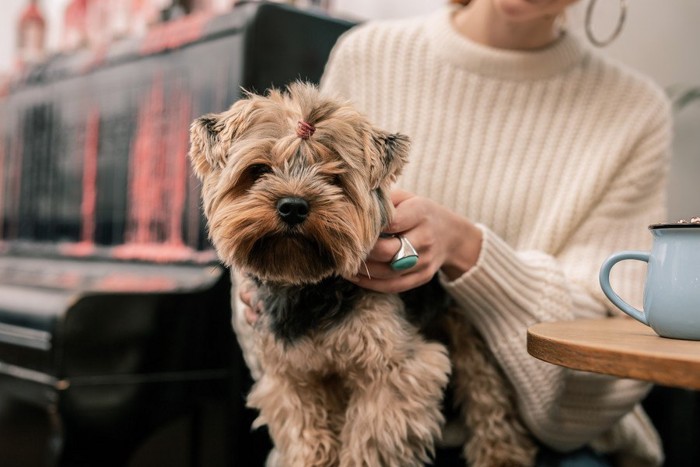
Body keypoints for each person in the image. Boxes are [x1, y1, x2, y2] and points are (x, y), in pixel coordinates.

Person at [233, 0, 671, 465]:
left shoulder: (636, 111)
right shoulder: (367, 53)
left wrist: (469, 251)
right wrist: (262, 278)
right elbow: (265, 205)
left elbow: (616, 344)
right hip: (335, 414)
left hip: (551, 437)